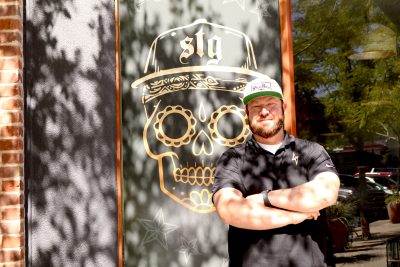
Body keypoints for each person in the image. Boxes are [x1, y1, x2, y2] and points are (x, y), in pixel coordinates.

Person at [212, 77, 340, 267]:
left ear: (283, 107)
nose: (264, 112)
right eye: (256, 106)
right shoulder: (233, 159)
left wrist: (264, 199)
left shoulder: (311, 151)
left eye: (271, 104)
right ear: (247, 113)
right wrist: (297, 215)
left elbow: (325, 195)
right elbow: (230, 210)